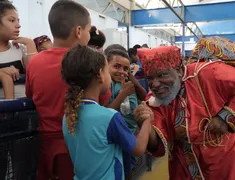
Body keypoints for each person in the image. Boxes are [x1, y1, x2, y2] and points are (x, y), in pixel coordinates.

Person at [134, 45, 235, 180]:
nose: (155, 84)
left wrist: (225, 118)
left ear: (178, 70)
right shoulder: (155, 100)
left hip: (222, 157)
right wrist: (146, 124)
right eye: (149, 78)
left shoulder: (209, 72)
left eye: (162, 75)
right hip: (182, 163)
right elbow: (159, 141)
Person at [25, 1, 111, 179]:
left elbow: (30, 96)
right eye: (88, 30)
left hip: (45, 146)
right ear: (79, 31)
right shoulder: (88, 63)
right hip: (80, 145)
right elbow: (104, 99)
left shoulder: (34, 63)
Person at [61, 45, 151, 180]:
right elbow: (138, 148)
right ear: (100, 75)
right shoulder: (109, 117)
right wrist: (147, 120)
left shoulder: (68, 115)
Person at [0, 0, 37, 99]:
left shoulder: (20, 49)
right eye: (12, 20)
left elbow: (36, 74)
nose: (18, 25)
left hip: (24, 109)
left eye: (18, 21)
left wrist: (30, 43)